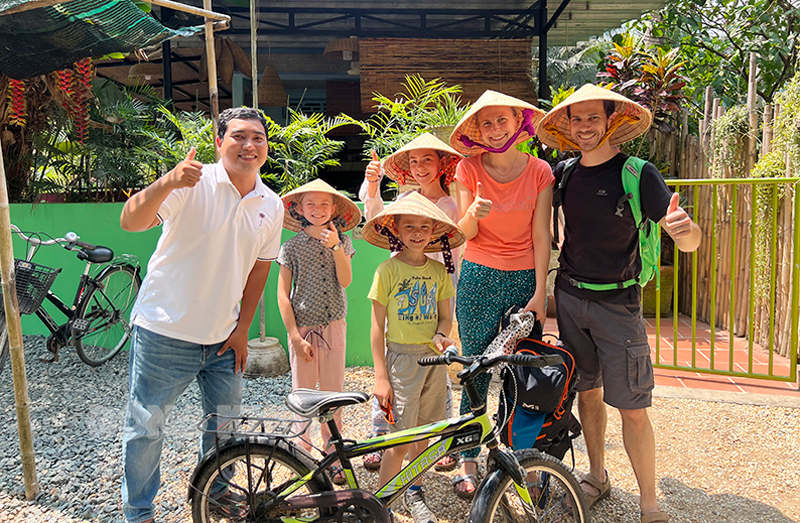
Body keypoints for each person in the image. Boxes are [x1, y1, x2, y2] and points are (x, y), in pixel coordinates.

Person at [537, 84, 701, 523]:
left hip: (618, 304)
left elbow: (689, 241)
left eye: (594, 117)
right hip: (570, 297)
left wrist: (684, 231)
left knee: (632, 406)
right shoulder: (564, 174)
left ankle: (649, 503)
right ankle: (596, 475)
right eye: (577, 118)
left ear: (612, 120)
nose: (585, 126)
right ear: (567, 126)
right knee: (586, 394)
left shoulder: (638, 173)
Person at [119, 107, 283, 523]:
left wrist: (244, 327)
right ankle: (138, 511)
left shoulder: (272, 203)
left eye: (258, 138)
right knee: (146, 427)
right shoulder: (191, 182)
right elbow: (131, 221)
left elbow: (261, 266)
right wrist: (168, 180)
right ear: (219, 141)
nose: (249, 145)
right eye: (239, 136)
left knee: (225, 430)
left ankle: (216, 494)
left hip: (225, 337)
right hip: (164, 330)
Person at [447, 90, 553, 498]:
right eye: (486, 123)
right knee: (475, 370)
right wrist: (472, 212)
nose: (494, 130)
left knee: (518, 371)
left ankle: (514, 454)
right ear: (477, 130)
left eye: (501, 121)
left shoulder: (541, 171)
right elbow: (463, 233)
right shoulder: (466, 169)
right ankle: (467, 457)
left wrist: (541, 291)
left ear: (518, 121)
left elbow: (542, 233)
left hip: (524, 278)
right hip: (478, 277)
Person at [358, 132, 463, 472]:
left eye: (427, 160)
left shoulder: (450, 203)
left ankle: (419, 477)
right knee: (397, 418)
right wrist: (372, 185)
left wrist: (442, 329)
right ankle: (384, 455)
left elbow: (456, 246)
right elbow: (376, 212)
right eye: (413, 162)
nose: (419, 168)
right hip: (399, 315)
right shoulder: (404, 200)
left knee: (428, 415)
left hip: (436, 292)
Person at [363, 192, 465, 523]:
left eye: (424, 226)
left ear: (434, 229)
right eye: (410, 226)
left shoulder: (438, 272)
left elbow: (445, 318)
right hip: (400, 362)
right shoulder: (387, 270)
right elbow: (377, 327)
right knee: (397, 440)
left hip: (432, 362)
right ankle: (383, 504)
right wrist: (381, 376)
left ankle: (416, 492)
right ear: (397, 228)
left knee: (423, 433)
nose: (418, 232)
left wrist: (441, 333)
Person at [276, 178, 361, 484]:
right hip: (303, 328)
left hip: (334, 324)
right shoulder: (291, 247)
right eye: (310, 203)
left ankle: (333, 452)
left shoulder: (344, 241)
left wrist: (336, 246)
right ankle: (301, 453)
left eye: (324, 203)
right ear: (298, 208)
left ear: (334, 207)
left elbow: (347, 280)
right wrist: (295, 337)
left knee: (334, 392)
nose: (317, 209)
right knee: (303, 392)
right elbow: (282, 295)